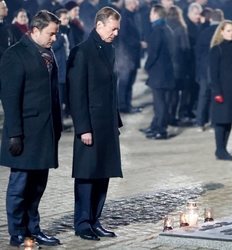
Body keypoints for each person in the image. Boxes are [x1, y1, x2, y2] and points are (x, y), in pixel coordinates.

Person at [0, 10, 62, 247]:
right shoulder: (14, 55)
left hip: (45, 132)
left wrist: (56, 126)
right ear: (35, 30)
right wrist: (15, 134)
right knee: (19, 186)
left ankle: (33, 229)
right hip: (25, 134)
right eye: (51, 33)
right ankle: (17, 231)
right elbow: (10, 98)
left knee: (37, 186)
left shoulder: (47, 53)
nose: (54, 38)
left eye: (56, 34)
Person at [67, 6, 123, 241]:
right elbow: (76, 93)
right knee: (87, 175)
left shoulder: (109, 50)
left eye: (118, 29)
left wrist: (116, 122)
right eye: (113, 29)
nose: (116, 33)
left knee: (103, 174)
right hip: (90, 125)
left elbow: (110, 89)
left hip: (107, 124)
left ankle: (95, 219)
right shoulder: (82, 52)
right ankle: (82, 223)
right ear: (99, 26)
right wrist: (83, 128)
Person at [209, 20, 232, 161]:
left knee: (229, 120)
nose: (231, 33)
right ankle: (220, 149)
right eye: (228, 31)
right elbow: (213, 73)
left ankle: (224, 148)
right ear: (221, 32)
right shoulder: (217, 49)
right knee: (221, 121)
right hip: (222, 91)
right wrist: (217, 92)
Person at [142, 4, 174, 140]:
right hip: (166, 71)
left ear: (156, 14)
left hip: (158, 73)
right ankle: (156, 126)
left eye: (151, 13)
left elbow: (153, 53)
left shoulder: (157, 31)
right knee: (161, 102)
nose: (149, 16)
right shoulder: (167, 29)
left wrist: (147, 66)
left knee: (159, 103)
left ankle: (161, 130)